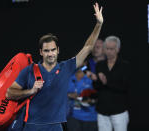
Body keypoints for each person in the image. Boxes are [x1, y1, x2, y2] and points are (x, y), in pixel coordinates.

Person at [6, 3, 103, 131]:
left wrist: (99, 24)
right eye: (46, 51)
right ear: (41, 52)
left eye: (53, 50)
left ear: (58, 50)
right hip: (32, 126)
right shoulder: (29, 71)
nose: (50, 54)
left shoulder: (66, 67)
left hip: (56, 126)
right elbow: (9, 93)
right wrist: (30, 91)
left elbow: (88, 47)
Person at [92, 36, 130, 131]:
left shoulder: (124, 65)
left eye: (111, 49)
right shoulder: (100, 65)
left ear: (118, 49)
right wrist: (96, 80)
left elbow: (125, 86)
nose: (108, 51)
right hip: (102, 110)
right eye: (107, 48)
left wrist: (106, 82)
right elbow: (96, 87)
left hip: (119, 111)